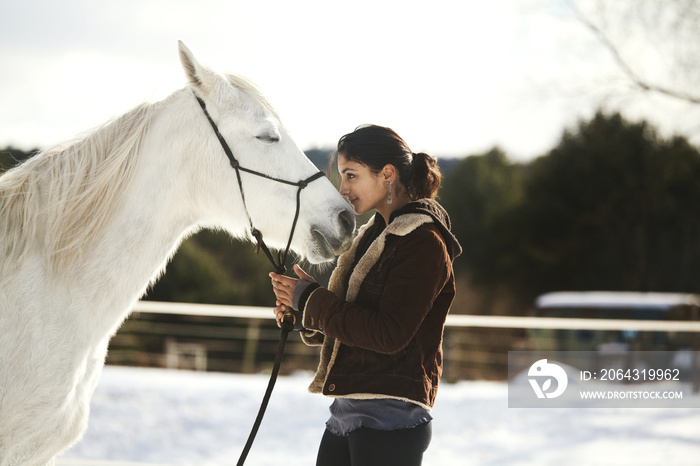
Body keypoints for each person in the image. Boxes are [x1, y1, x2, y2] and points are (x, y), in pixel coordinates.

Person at [269, 124, 461, 466]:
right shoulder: (372, 236)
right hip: (345, 414)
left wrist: (312, 299)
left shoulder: (423, 243)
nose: (343, 189)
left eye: (351, 175)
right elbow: (351, 317)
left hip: (391, 417)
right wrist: (301, 308)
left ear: (387, 175)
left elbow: (389, 334)